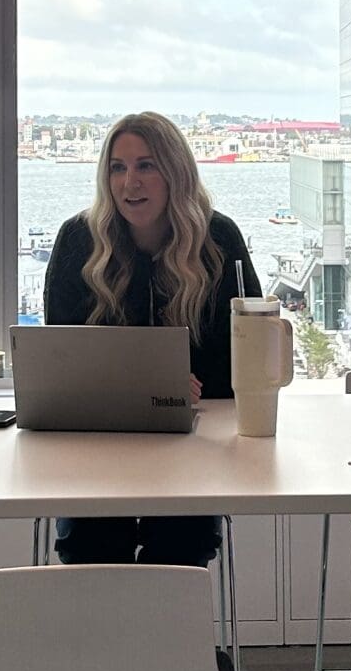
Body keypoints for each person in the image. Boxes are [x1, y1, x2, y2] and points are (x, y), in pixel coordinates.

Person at [41, 111, 264, 566]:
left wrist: (181, 391)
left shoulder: (218, 239)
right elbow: (59, 357)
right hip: (98, 439)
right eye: (118, 168)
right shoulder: (78, 240)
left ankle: (168, 616)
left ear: (175, 172)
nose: (130, 183)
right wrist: (150, 386)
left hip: (195, 440)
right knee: (90, 543)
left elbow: (247, 355)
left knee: (182, 544)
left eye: (146, 165)